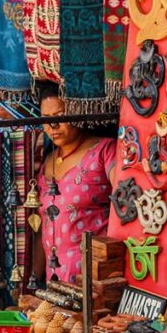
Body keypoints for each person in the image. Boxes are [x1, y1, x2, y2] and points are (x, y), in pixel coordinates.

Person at [36, 91, 117, 283]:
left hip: (94, 279)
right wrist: (33, 280)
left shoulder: (103, 151)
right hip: (54, 281)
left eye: (60, 116)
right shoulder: (46, 161)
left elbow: (125, 204)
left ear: (77, 111)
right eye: (46, 119)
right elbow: (42, 228)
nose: (53, 126)